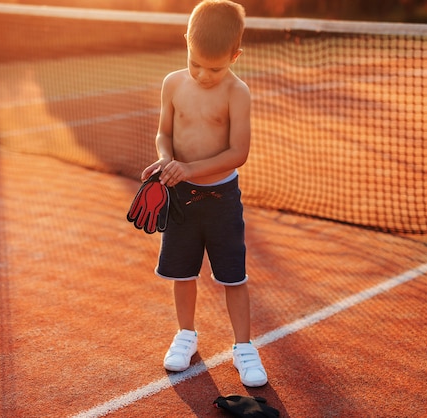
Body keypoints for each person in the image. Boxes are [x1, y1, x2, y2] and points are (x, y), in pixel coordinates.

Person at [140, 0, 267, 387]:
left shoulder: (237, 92)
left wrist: (191, 169)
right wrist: (165, 160)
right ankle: (186, 335)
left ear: (235, 55)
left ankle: (243, 347)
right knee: (182, 271)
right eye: (196, 62)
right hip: (180, 198)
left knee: (233, 276)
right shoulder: (173, 83)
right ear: (186, 43)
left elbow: (237, 153)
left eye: (216, 67)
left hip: (221, 199)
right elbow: (164, 133)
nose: (204, 74)